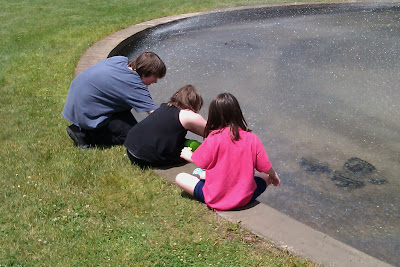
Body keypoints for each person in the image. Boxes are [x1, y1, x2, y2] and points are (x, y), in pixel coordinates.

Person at [176, 92, 280, 211]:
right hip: (244, 199)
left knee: (181, 177)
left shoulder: (213, 138)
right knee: (264, 176)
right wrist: (274, 176)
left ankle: (206, 177)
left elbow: (201, 162)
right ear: (237, 113)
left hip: (215, 199)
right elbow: (265, 167)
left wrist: (188, 155)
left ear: (213, 115)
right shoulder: (251, 138)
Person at [62, 52, 166, 149]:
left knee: (131, 121)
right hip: (86, 113)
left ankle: (87, 128)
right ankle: (85, 135)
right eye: (155, 77)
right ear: (145, 73)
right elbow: (155, 115)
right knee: (134, 137)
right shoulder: (133, 84)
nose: (156, 81)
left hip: (75, 104)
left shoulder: (120, 60)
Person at [124, 85, 207, 169]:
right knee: (194, 148)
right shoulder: (189, 115)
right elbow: (216, 134)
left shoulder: (165, 106)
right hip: (145, 159)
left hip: (131, 150)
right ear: (195, 103)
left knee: (181, 141)